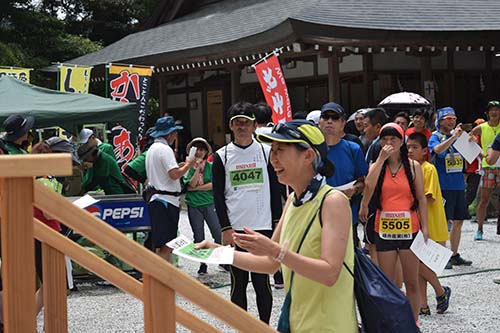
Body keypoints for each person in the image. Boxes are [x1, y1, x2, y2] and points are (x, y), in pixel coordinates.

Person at [199, 119, 356, 332]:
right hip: (297, 322)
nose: (273, 159)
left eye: (280, 150)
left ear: (308, 155)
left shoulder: (332, 201)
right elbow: (270, 263)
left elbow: (329, 273)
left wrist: (276, 251)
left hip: (329, 325)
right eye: (272, 151)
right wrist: (215, 252)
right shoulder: (293, 200)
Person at [212, 102, 282, 323]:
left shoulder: (266, 151)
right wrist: (225, 228)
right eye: (237, 123)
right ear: (231, 126)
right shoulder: (222, 156)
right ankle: (242, 326)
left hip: (262, 226)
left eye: (246, 122)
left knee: (262, 282)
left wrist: (277, 221)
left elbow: (275, 188)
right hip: (236, 228)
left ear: (254, 125)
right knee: (238, 282)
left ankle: (264, 326)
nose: (242, 126)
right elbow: (218, 196)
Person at [360, 122, 429, 321]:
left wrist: (425, 227)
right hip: (384, 229)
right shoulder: (377, 165)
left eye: (393, 139)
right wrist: (381, 159)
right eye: (385, 139)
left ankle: (414, 321)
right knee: (388, 282)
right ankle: (391, 322)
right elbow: (368, 185)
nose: (389, 143)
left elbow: (422, 198)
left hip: (410, 228)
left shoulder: (414, 166)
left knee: (412, 281)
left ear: (402, 142)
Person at [407, 132, 451, 315]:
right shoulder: (408, 168)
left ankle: (441, 291)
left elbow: (429, 197)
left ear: (425, 150)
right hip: (415, 223)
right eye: (408, 147)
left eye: (414, 147)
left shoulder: (428, 168)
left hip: (430, 223)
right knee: (417, 265)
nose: (410, 150)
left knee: (419, 264)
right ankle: (423, 305)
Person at [145, 116, 194, 262]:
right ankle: (161, 278)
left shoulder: (152, 149)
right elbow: (174, 175)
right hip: (166, 199)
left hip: (157, 198)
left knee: (161, 244)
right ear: (170, 134)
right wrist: (188, 164)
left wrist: (180, 167)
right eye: (174, 133)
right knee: (168, 245)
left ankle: (163, 278)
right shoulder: (165, 149)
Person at [317, 102, 368, 243]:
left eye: (334, 118)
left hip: (347, 214)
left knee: (348, 260)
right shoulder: (311, 151)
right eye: (325, 117)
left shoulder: (353, 149)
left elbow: (362, 181)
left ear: (343, 123)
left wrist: (354, 189)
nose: (329, 121)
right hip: (316, 215)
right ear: (319, 122)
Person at [428, 107, 472, 267]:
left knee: (459, 220)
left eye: (453, 118)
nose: (452, 121)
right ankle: (441, 254)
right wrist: (453, 138)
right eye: (448, 119)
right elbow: (437, 150)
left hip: (459, 184)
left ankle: (454, 253)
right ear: (439, 121)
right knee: (444, 221)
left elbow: (473, 155)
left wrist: (470, 141)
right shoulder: (435, 136)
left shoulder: (459, 136)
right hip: (443, 185)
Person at [183, 137, 221, 275]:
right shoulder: (187, 167)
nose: (199, 152)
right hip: (194, 205)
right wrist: (197, 167)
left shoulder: (211, 166)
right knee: (198, 235)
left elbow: (213, 185)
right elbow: (191, 183)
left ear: (206, 152)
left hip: (210, 203)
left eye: (202, 149)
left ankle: (222, 260)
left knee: (218, 232)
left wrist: (195, 188)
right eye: (196, 149)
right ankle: (203, 263)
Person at [469, 101, 500, 240]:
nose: (494, 112)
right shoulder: (481, 127)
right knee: (484, 199)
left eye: (496, 109)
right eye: (491, 110)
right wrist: (480, 154)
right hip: (488, 166)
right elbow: (468, 139)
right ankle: (479, 229)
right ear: (487, 113)